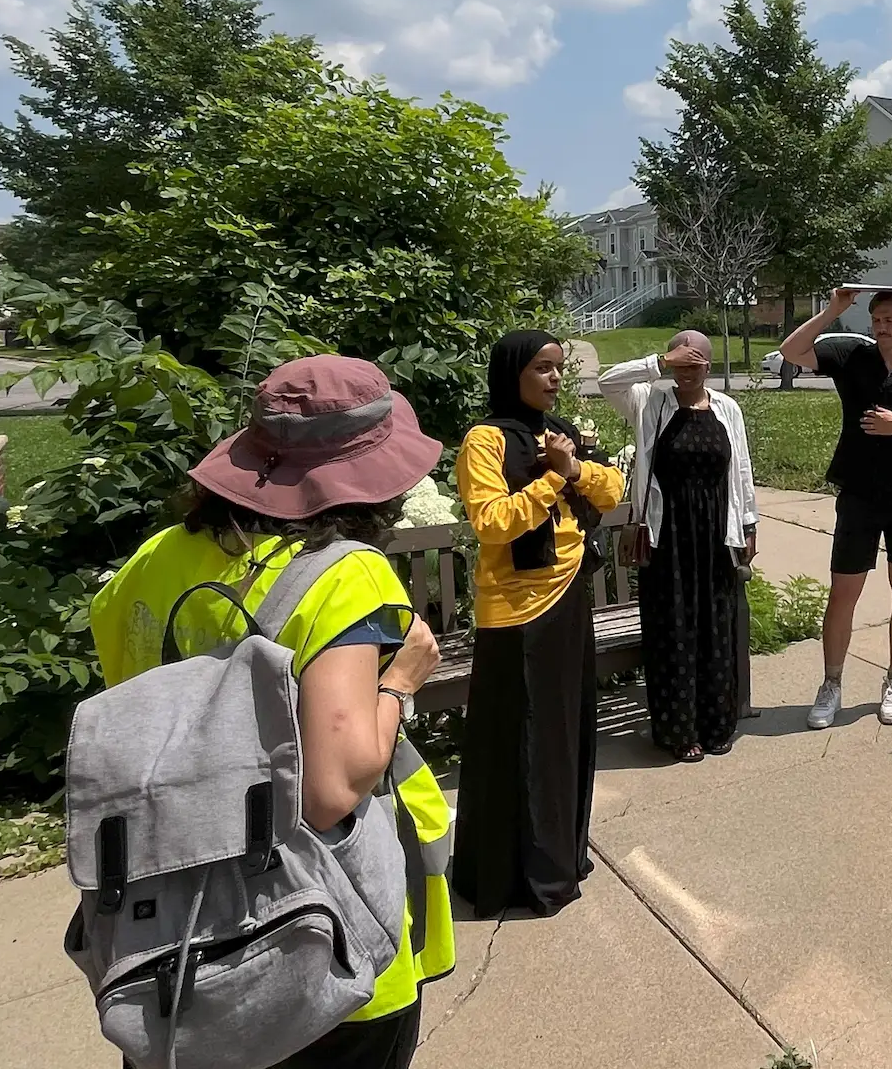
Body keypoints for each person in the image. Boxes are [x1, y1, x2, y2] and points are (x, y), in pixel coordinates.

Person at [89, 356, 456, 1069]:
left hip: (170, 924)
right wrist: (402, 679)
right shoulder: (345, 573)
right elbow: (330, 790)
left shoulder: (156, 558)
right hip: (309, 930)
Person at [452, 330, 627, 919]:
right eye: (542, 369)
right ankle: (512, 876)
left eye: (558, 368)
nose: (554, 378)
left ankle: (559, 856)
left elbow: (613, 487)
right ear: (512, 373)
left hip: (567, 596)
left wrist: (571, 466)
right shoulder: (485, 440)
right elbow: (493, 522)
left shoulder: (560, 436)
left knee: (562, 732)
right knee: (518, 741)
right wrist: (554, 477)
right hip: (514, 611)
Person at [777, 287, 892, 729]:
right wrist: (834, 309)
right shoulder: (852, 357)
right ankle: (832, 684)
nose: (880, 328)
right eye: (876, 320)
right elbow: (791, 350)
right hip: (858, 496)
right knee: (844, 592)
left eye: (889, 321)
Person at [598, 331, 759, 760]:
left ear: (708, 366)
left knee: (715, 626)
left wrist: (749, 523)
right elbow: (607, 381)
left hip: (714, 535)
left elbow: (740, 467)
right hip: (665, 534)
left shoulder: (727, 408)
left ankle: (716, 725)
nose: (686, 372)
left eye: (694, 364)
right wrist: (660, 361)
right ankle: (679, 732)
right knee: (673, 629)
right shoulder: (650, 402)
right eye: (679, 364)